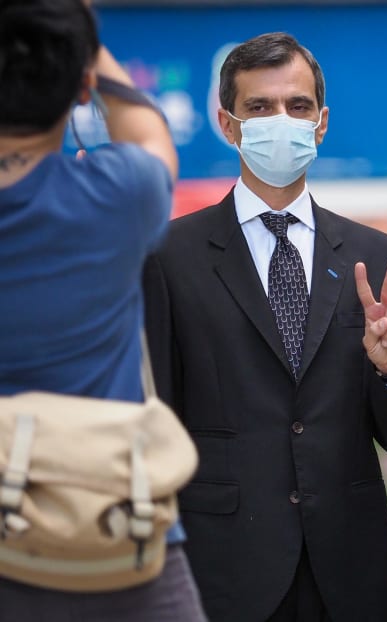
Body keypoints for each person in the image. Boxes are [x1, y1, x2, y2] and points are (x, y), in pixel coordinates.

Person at [142, 31, 387, 622]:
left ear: (321, 122)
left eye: (297, 106)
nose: (281, 120)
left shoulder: (374, 253)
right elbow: (157, 425)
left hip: (347, 569)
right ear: (228, 125)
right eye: (259, 107)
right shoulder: (171, 256)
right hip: (222, 568)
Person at [0, 0, 206, 619]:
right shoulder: (120, 195)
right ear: (84, 83)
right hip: (121, 532)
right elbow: (147, 129)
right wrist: (79, 32)